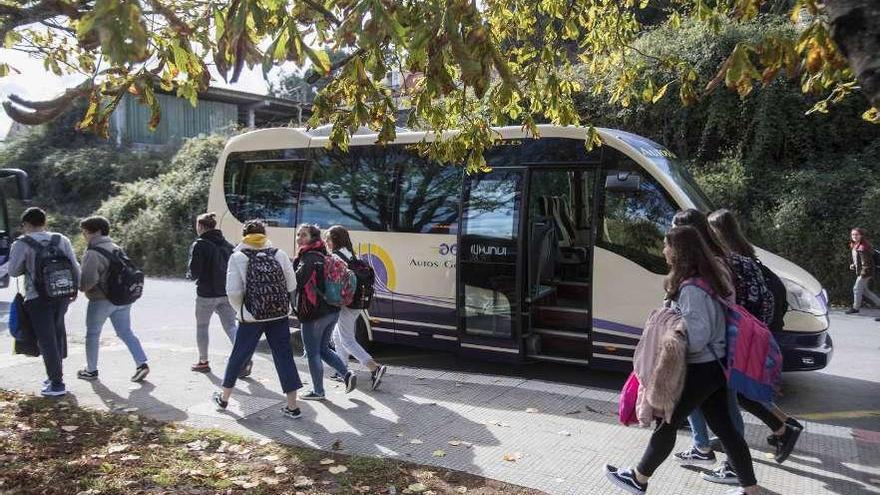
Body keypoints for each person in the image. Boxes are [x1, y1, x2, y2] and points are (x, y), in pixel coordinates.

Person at [605, 225, 760, 495]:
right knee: (726, 430)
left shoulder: (691, 289)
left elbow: (698, 336)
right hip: (717, 365)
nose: (664, 250)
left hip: (701, 367)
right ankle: (751, 490)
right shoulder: (710, 278)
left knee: (669, 423)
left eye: (667, 245)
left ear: (679, 252)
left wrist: (672, 329)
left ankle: (639, 479)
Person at [671, 210, 801, 484]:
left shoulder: (714, 263)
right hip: (738, 338)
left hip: (726, 343)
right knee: (727, 402)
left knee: (728, 403)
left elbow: (710, 312)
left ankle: (729, 462)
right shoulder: (730, 257)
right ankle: (719, 453)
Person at [212, 220, 302, 418]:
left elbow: (233, 291)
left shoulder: (237, 257)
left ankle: (224, 398)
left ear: (245, 235)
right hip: (278, 314)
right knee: (284, 356)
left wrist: (243, 310)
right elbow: (292, 283)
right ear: (264, 234)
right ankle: (292, 406)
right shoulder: (279, 254)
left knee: (239, 355)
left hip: (251, 318)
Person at [7, 207, 80, 396]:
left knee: (46, 339)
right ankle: (54, 376)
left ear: (26, 224)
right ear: (44, 222)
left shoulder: (22, 243)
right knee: (56, 334)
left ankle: (57, 384)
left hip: (37, 297)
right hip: (62, 293)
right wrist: (75, 290)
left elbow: (14, 271)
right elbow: (74, 265)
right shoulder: (60, 239)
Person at [77, 216, 150, 383]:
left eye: (85, 232)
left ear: (96, 232)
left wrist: (79, 286)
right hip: (123, 298)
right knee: (125, 332)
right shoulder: (116, 247)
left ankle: (91, 370)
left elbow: (87, 282)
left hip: (101, 300)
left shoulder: (93, 253)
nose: (84, 236)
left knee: (93, 335)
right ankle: (142, 364)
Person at [293, 223, 356, 400]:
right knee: (323, 349)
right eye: (298, 234)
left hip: (314, 313)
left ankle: (318, 391)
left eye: (303, 235)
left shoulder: (310, 258)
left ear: (313, 238)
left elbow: (296, 282)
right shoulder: (325, 255)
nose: (299, 238)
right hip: (332, 310)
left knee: (313, 353)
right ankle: (347, 374)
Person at [323, 225, 387, 390]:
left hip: (347, 303)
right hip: (357, 301)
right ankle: (341, 369)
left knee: (347, 340)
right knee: (337, 336)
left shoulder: (337, 257)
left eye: (328, 239)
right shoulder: (350, 253)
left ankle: (374, 367)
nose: (326, 242)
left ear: (335, 240)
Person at [187, 212, 247, 375]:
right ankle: (244, 359)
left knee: (202, 326)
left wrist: (189, 274)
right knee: (230, 327)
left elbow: (194, 272)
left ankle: (203, 361)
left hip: (206, 294)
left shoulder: (200, 244)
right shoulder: (227, 245)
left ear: (200, 226)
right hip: (225, 292)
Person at [846, 227, 879, 314]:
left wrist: (862, 274)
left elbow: (867, 264)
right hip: (864, 271)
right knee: (865, 291)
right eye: (853, 234)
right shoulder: (855, 245)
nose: (854, 236)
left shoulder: (863, 247)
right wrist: (854, 265)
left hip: (866, 272)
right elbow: (859, 260)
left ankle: (855, 308)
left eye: (856, 234)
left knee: (856, 288)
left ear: (861, 235)